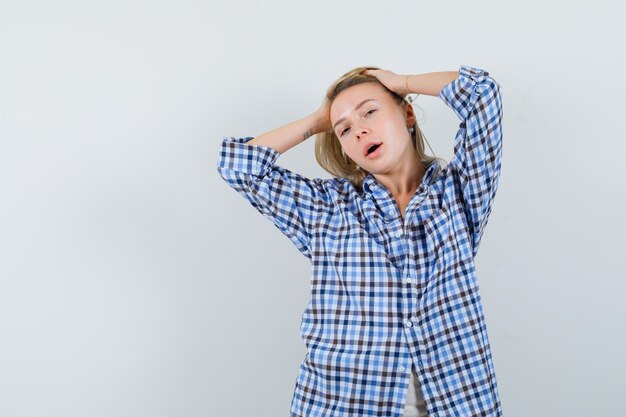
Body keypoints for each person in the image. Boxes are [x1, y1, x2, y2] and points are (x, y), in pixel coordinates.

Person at [217, 64, 504, 417]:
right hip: (342, 404)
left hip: (457, 401)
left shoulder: (459, 194)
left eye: (370, 111)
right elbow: (237, 165)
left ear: (408, 114)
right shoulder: (326, 209)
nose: (360, 130)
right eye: (345, 130)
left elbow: (482, 93)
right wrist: (321, 119)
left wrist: (403, 83)